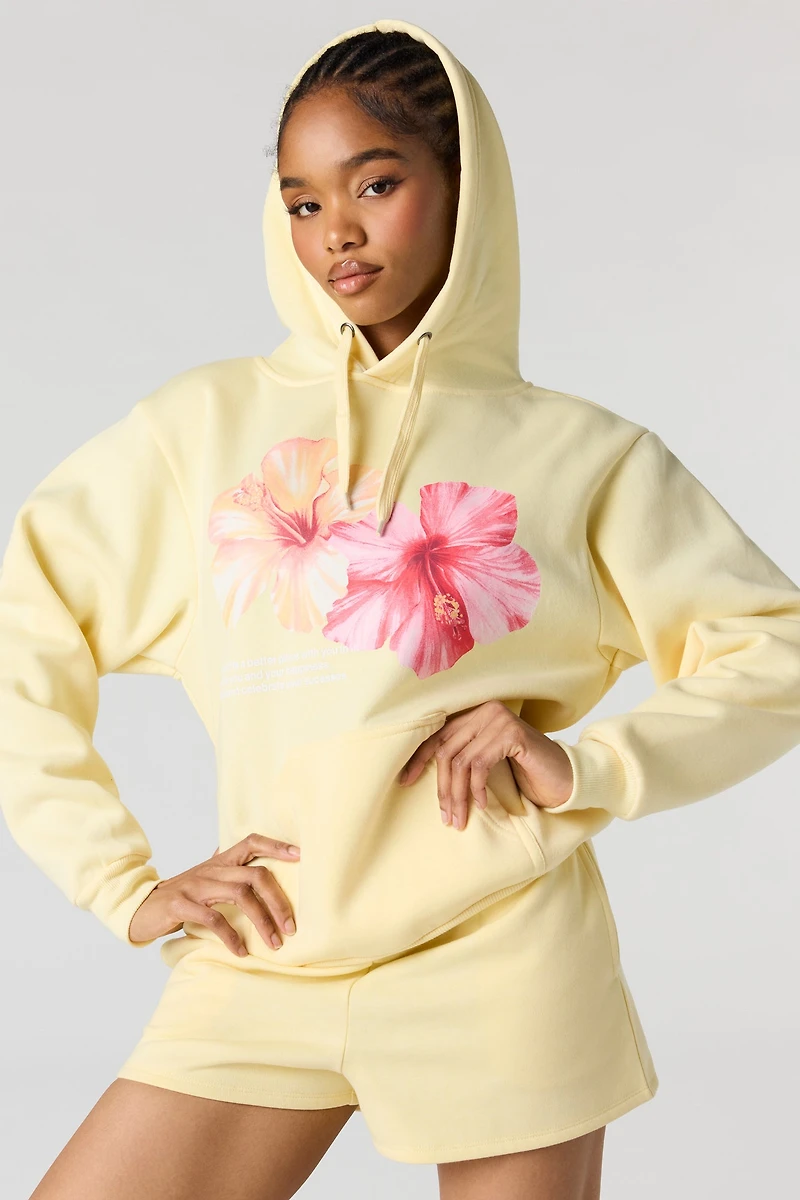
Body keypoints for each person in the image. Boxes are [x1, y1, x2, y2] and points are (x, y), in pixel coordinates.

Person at [4, 16, 800, 1200]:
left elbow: (772, 646)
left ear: (463, 187)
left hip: (501, 955)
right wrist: (121, 883)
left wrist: (585, 766)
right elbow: (25, 625)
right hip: (269, 942)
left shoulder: (585, 456)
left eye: (374, 183)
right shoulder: (197, 432)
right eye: (302, 201)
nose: (336, 231)